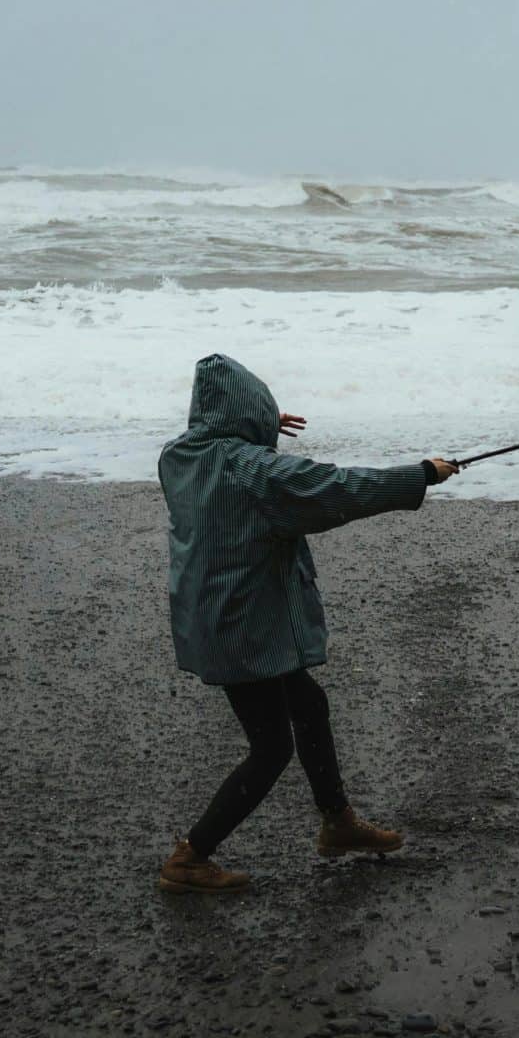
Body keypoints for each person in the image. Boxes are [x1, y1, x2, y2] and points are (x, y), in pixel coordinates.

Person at [155, 354, 459, 893]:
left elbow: (230, 453)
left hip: (212, 614)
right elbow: (337, 488)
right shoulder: (254, 470)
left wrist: (258, 426)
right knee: (271, 748)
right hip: (243, 627)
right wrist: (420, 476)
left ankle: (337, 822)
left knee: (308, 704)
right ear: (246, 413)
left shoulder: (180, 457)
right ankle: (191, 856)